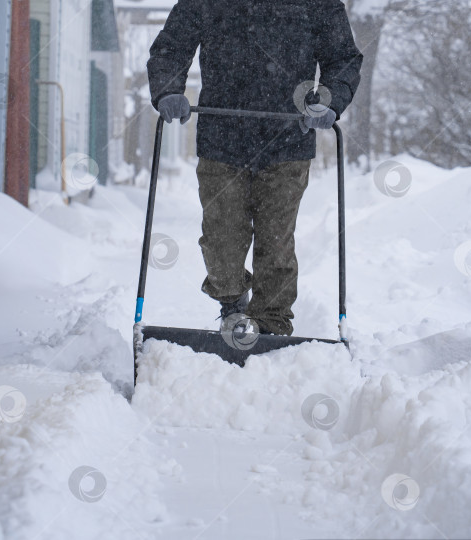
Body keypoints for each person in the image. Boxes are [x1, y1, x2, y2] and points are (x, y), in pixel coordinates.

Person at [147, 0, 362, 336]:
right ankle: (233, 305)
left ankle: (272, 326)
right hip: (222, 136)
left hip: (288, 137)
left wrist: (330, 100)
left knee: (275, 242)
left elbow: (343, 57)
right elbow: (173, 45)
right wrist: (167, 92)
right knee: (221, 241)